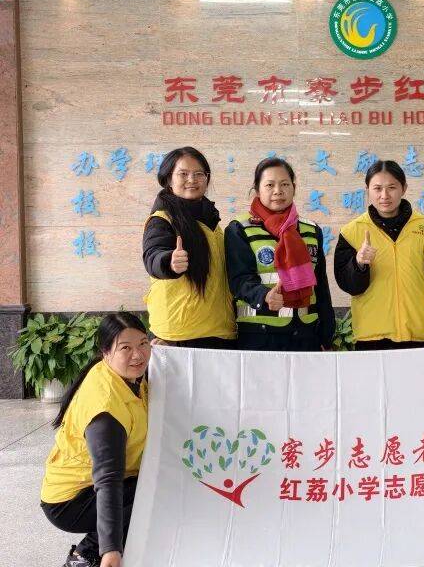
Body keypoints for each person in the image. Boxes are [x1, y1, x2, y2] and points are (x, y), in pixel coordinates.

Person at [40, 313, 151, 567]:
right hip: (70, 500)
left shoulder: (122, 373)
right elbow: (108, 479)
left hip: (93, 485)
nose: (138, 355)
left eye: (143, 343)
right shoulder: (106, 410)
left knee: (160, 483)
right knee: (153, 495)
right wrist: (110, 548)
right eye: (126, 348)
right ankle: (86, 555)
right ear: (106, 353)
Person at [225, 157, 335, 351]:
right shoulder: (240, 229)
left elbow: (321, 287)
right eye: (270, 185)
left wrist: (326, 336)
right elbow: (239, 280)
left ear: (294, 188)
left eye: (285, 184)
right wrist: (264, 295)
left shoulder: (311, 230)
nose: (278, 191)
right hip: (259, 338)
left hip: (306, 335)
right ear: (257, 190)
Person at [334, 160, 424, 349]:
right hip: (370, 338)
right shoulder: (352, 232)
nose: (384, 195)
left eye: (392, 188)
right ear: (367, 190)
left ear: (404, 189)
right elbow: (348, 285)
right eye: (377, 188)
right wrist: (359, 264)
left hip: (415, 336)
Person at [142, 146, 236, 348]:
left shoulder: (212, 222)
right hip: (180, 334)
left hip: (219, 330)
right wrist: (169, 262)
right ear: (169, 179)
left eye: (199, 174)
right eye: (183, 174)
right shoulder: (162, 219)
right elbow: (153, 255)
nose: (192, 180)